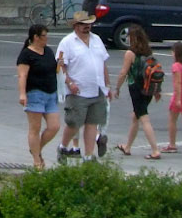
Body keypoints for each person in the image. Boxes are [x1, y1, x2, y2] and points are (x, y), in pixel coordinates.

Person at [54, 11, 112, 162]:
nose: (87, 27)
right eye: (84, 24)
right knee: (74, 123)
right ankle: (63, 147)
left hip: (97, 89)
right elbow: (61, 67)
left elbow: (103, 63)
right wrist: (69, 82)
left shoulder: (97, 40)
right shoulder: (67, 42)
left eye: (89, 24)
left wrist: (107, 85)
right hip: (77, 90)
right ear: (76, 26)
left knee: (92, 123)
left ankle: (88, 155)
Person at [15, 21, 61, 169]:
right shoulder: (26, 54)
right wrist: (22, 94)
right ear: (36, 37)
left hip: (51, 92)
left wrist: (59, 64)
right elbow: (22, 75)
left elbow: (53, 69)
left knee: (54, 126)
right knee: (35, 128)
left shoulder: (48, 51)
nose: (46, 38)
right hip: (35, 93)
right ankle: (37, 160)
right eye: (44, 36)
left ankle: (37, 149)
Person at [116, 26, 163, 159]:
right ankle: (127, 147)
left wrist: (117, 88)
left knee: (144, 118)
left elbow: (123, 73)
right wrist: (156, 91)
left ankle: (155, 150)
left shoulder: (130, 53)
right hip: (148, 88)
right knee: (135, 116)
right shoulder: (148, 52)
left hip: (136, 87)